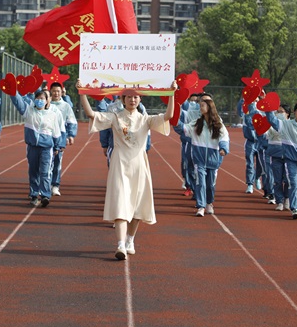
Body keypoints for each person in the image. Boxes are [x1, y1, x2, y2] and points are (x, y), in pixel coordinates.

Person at [78, 80, 177, 260]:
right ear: (123, 99)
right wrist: (82, 92)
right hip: (120, 164)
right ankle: (120, 244)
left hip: (139, 165)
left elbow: (168, 116)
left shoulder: (145, 119)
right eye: (129, 97)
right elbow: (91, 114)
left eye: (136, 97)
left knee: (138, 205)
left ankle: (130, 239)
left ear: (140, 100)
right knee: (120, 202)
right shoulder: (115, 117)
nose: (132, 100)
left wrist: (172, 93)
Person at [174, 93, 229, 216]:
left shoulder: (218, 123)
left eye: (203, 105)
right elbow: (183, 129)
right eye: (200, 105)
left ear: (209, 107)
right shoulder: (197, 123)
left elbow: (224, 137)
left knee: (210, 184)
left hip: (213, 159)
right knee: (200, 182)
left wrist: (224, 149)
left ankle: (209, 203)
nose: (200, 107)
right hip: (199, 159)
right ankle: (200, 206)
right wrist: (174, 121)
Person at [9, 89, 62, 207]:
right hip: (32, 147)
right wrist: (13, 92)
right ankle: (34, 194)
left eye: (42, 99)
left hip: (46, 148)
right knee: (33, 171)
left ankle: (45, 195)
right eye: (38, 99)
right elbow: (18, 102)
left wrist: (57, 146)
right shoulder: (29, 111)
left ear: (47, 101)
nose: (40, 101)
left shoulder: (52, 115)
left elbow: (56, 133)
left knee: (44, 172)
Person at [47, 82, 78, 197]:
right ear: (50, 91)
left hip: (59, 137)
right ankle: (46, 184)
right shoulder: (46, 104)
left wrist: (71, 135)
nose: (56, 93)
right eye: (54, 91)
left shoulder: (65, 106)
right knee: (45, 162)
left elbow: (71, 120)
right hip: (46, 137)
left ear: (62, 92)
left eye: (58, 91)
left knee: (57, 162)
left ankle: (55, 185)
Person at [237, 94, 263, 194]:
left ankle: (257, 178)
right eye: (252, 100)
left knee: (261, 164)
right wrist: (242, 100)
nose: (254, 102)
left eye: (255, 100)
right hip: (250, 142)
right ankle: (250, 184)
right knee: (250, 164)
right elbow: (239, 111)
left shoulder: (262, 111)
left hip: (261, 142)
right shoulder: (245, 110)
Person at [266, 104, 290, 211]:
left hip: (289, 156)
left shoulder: (292, 125)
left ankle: (287, 198)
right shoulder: (274, 125)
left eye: (281, 112)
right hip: (275, 154)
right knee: (277, 180)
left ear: (287, 114)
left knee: (288, 179)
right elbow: (267, 134)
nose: (279, 114)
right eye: (278, 112)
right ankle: (279, 201)